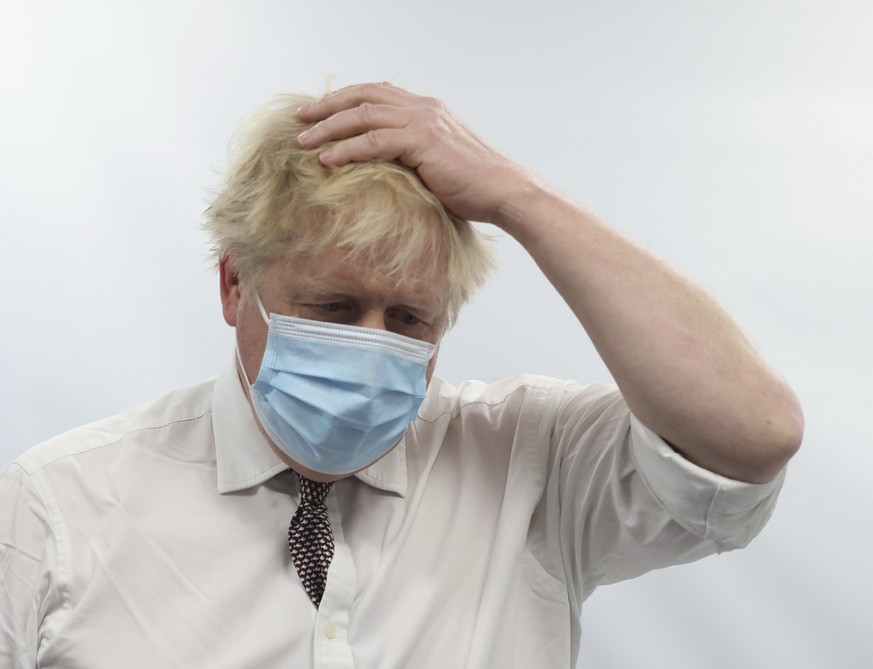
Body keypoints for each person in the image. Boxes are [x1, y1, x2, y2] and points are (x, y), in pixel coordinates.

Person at [0, 82, 803, 668]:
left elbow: (754, 432)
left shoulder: (533, 460)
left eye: (410, 319)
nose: (371, 344)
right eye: (334, 306)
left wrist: (516, 197)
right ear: (233, 286)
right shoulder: (61, 503)